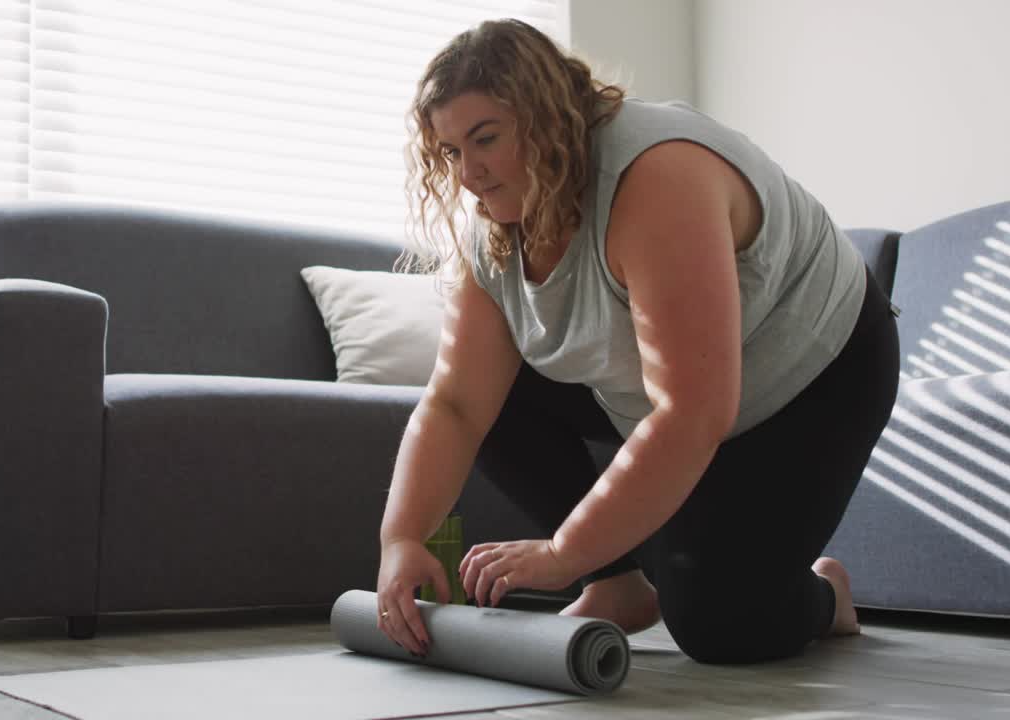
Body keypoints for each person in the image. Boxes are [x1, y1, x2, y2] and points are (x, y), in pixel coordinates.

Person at [374, 18, 900, 665]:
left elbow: (691, 413)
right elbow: (455, 404)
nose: (470, 175)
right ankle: (617, 584)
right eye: (452, 153)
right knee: (495, 390)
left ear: (548, 118)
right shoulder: (495, 231)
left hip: (814, 375)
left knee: (722, 627)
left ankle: (827, 595)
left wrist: (564, 553)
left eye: (485, 139)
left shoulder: (657, 176)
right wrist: (400, 539)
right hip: (675, 397)